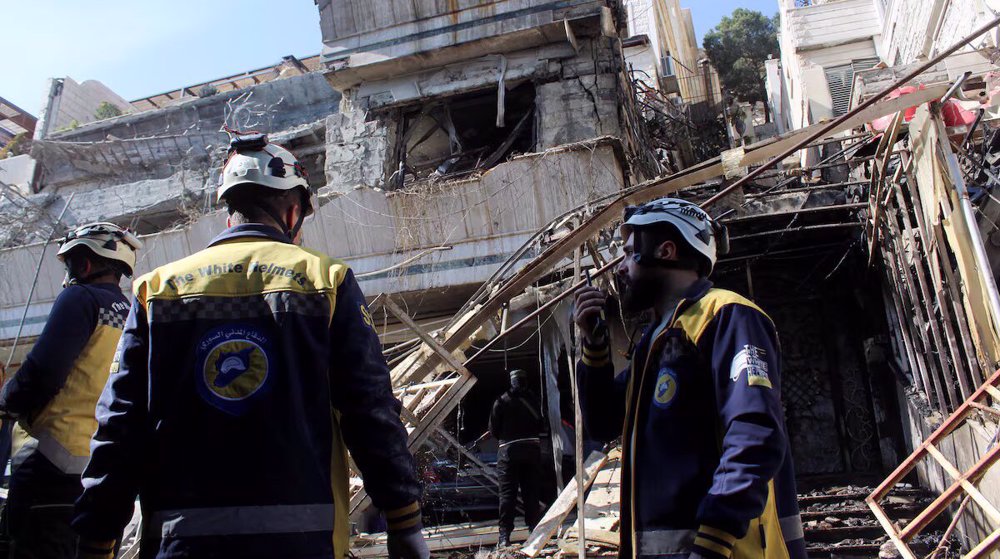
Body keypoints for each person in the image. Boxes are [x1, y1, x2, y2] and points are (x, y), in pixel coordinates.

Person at [71, 134, 429, 559]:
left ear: (229, 217)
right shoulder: (325, 280)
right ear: (293, 212)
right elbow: (369, 410)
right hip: (303, 543)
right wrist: (404, 520)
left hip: (180, 545)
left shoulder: (156, 289)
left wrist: (97, 538)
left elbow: (121, 425)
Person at [574, 198, 805, 559]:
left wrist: (713, 541)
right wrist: (595, 346)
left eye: (630, 253)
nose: (619, 268)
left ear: (665, 251)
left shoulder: (726, 316)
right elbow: (604, 424)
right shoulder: (655, 341)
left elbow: (754, 436)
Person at [0, 222, 141, 559]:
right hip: (102, 470)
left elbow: (42, 372)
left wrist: (7, 401)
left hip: (49, 466)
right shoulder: (135, 314)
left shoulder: (80, 298)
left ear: (85, 264)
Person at [489, 369, 544, 547]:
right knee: (531, 493)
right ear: (525, 381)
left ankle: (504, 537)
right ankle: (534, 531)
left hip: (508, 452)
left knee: (507, 496)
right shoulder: (534, 399)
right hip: (531, 450)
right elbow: (542, 424)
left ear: (511, 382)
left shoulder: (501, 401)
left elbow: (493, 430)